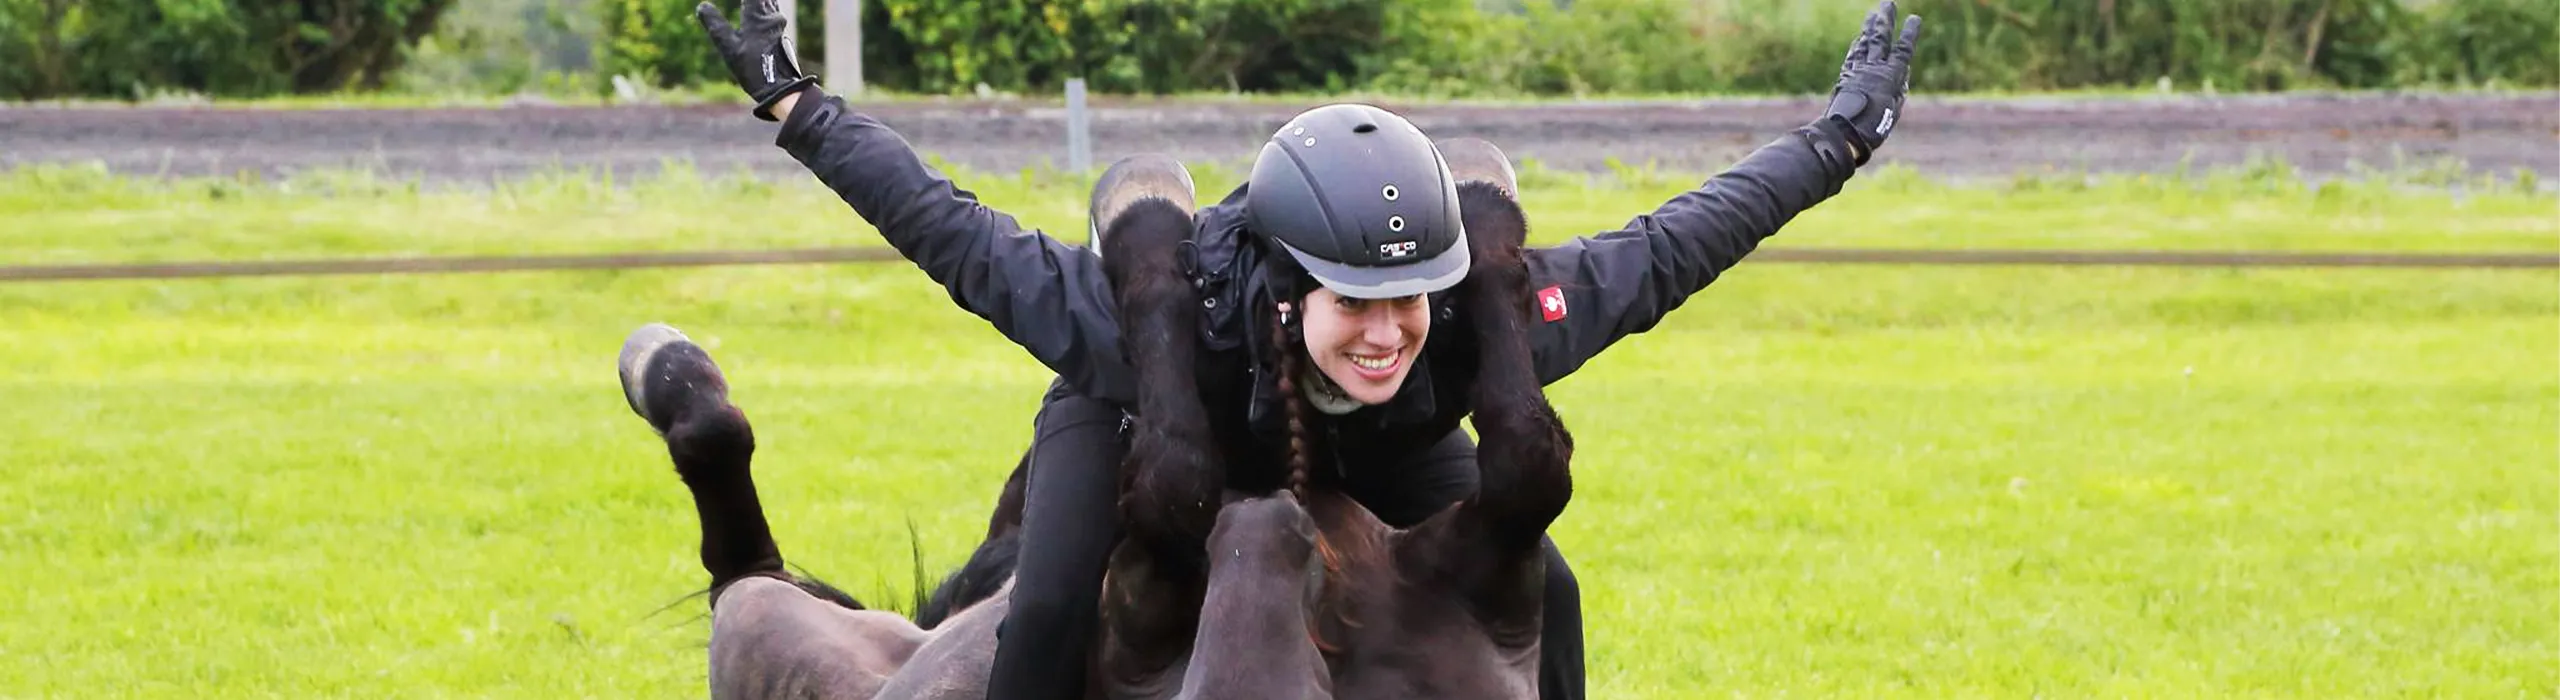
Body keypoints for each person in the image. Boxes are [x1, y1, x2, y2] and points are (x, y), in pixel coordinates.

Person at [691, 1, 1923, 698]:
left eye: (1414, 302)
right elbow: (946, 228)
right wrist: (795, 104)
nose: (1389, 333)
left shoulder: (1441, 338)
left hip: (1375, 449)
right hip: (1147, 420)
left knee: (1548, 583)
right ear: (1285, 295)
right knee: (1051, 609)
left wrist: (1840, 138)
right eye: (1355, 305)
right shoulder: (1139, 322)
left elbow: (1672, 246)